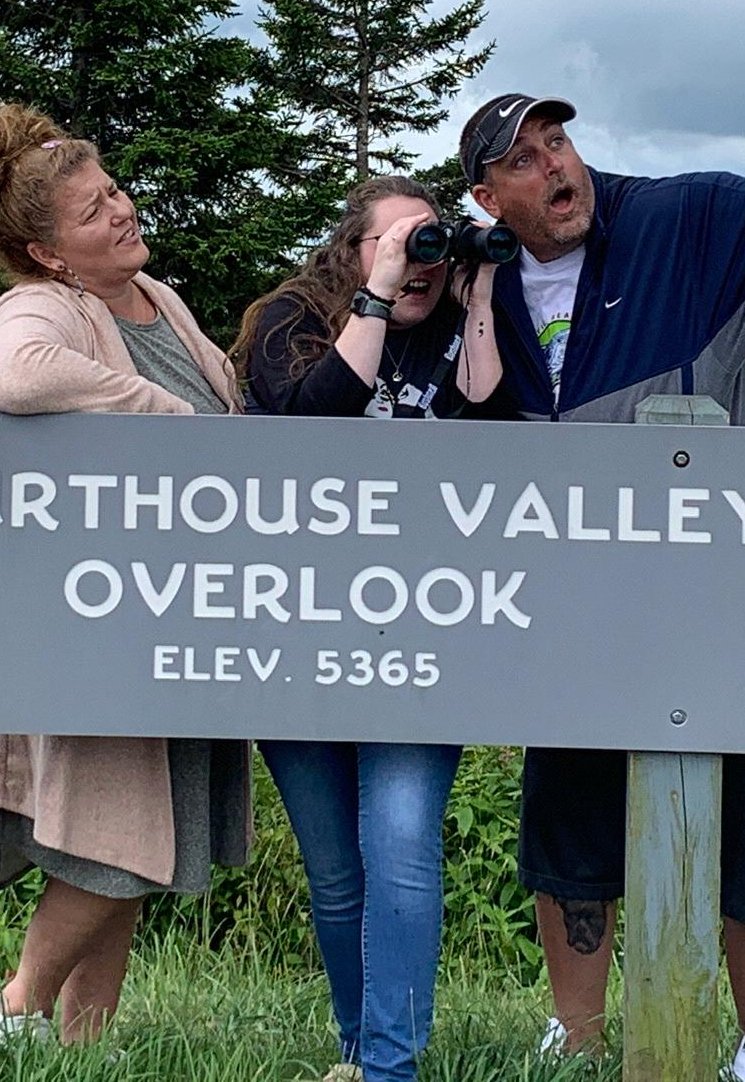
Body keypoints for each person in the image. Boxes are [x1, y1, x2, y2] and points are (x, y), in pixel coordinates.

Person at [459, 0, 745, 1082]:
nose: (555, 166)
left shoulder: (677, 223)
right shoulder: (479, 289)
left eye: (558, 141)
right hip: (573, 615)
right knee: (571, 830)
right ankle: (575, 1041)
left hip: (725, 606)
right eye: (523, 159)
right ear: (487, 196)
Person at [0, 101, 250, 1046]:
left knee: (128, 841)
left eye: (112, 190)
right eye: (92, 211)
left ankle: (83, 1052)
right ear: (48, 254)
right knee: (120, 842)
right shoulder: (43, 306)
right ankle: (13, 1014)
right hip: (103, 626)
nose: (120, 211)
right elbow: (9, 377)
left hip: (180, 615)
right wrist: (158, 411)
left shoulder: (158, 298)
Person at [232, 175, 503, 1082]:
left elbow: (493, 424)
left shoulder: (455, 325)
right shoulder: (289, 319)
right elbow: (313, 425)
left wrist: (480, 298)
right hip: (294, 636)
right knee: (337, 872)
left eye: (431, 241)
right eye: (396, 242)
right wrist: (377, 299)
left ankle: (391, 1066)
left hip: (417, 636)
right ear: (352, 250)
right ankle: (357, 1049)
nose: (417, 259)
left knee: (401, 851)